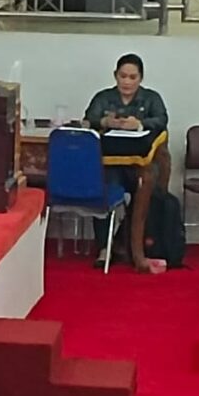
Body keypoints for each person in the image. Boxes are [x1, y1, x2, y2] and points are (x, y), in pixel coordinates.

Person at [82, 53, 170, 271]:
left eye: (132, 77)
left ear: (140, 78)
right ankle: (105, 247)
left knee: (148, 189)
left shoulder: (151, 98)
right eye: (123, 76)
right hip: (111, 162)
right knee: (103, 189)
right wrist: (105, 121)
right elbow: (89, 119)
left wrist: (139, 124)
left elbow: (161, 120)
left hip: (141, 165)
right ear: (115, 75)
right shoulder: (104, 97)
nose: (127, 82)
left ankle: (138, 246)